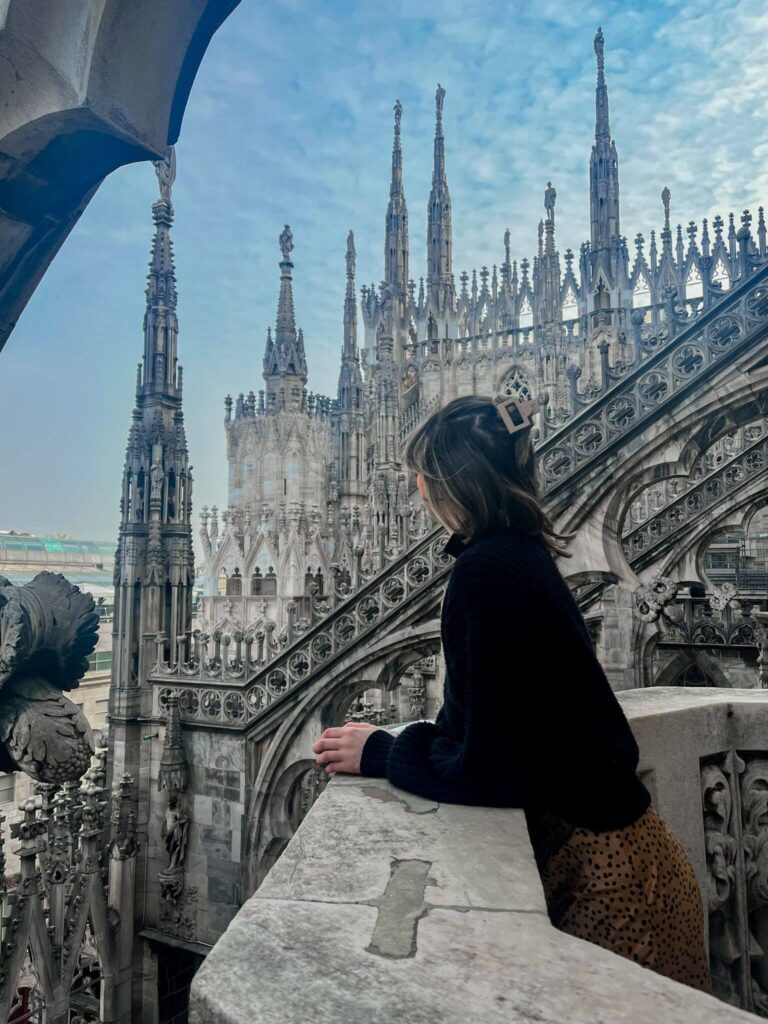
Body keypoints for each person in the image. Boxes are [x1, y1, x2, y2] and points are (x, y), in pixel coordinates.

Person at [312, 393, 711, 994]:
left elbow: (490, 770)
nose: (418, 488)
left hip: (608, 881)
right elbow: (491, 720)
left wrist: (382, 754)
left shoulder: (488, 570)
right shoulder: (519, 553)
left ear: (448, 485)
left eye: (424, 474)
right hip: (638, 860)